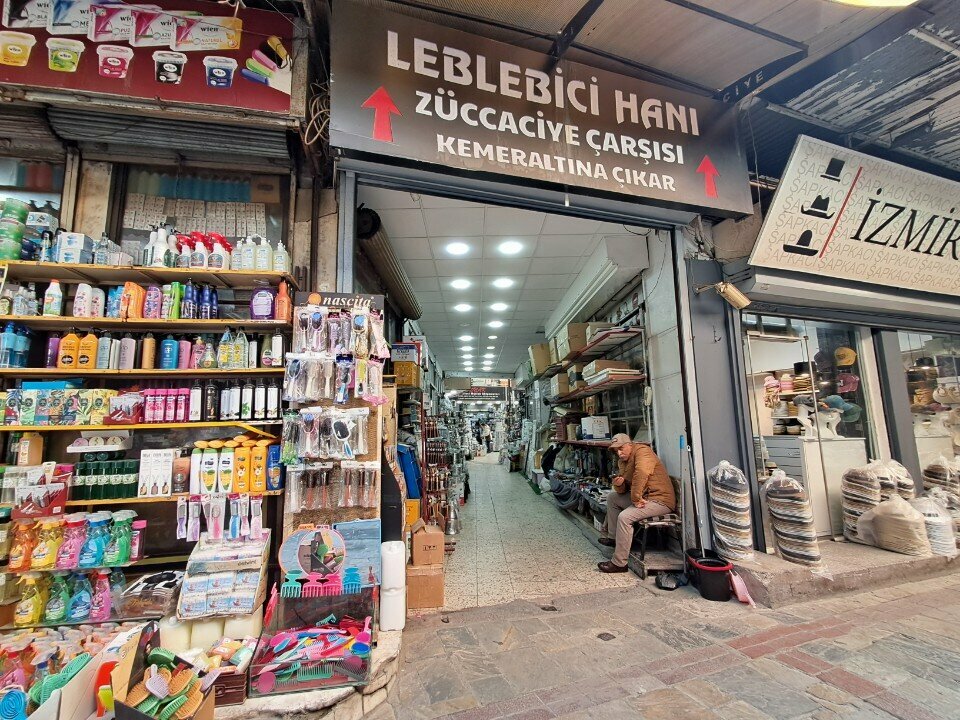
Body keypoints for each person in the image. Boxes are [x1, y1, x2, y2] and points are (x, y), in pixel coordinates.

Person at [597, 433, 675, 573]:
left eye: (621, 448)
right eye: (616, 450)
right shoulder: (623, 461)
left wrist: (636, 498)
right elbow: (623, 489)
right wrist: (619, 484)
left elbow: (641, 473)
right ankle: (614, 538)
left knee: (625, 517)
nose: (619, 453)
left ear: (630, 444)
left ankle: (619, 564)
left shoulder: (642, 451)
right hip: (645, 497)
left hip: (660, 500)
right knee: (612, 498)